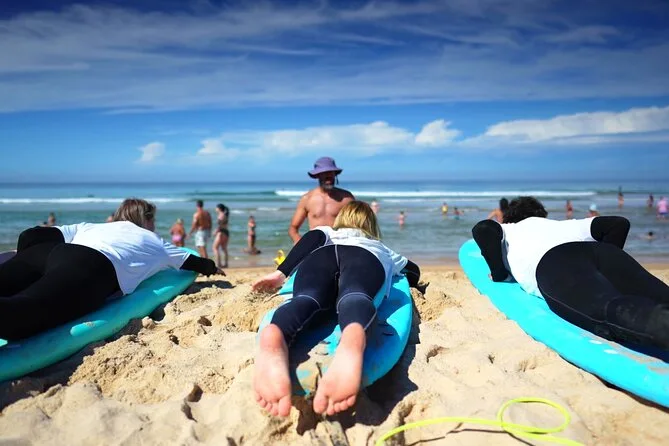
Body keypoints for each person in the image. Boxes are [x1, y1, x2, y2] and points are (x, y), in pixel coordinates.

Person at [251, 201, 421, 417]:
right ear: (371, 224)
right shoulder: (380, 247)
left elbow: (309, 241)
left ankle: (277, 333)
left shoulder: (327, 232)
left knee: (306, 299)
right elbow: (413, 272)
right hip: (366, 258)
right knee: (355, 297)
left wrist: (279, 275)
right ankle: (352, 337)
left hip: (322, 256)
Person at [0, 198, 222, 341]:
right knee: (22, 315)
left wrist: (24, 264)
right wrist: (213, 268)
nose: (154, 225)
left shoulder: (92, 226)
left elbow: (30, 235)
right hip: (91, 265)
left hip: (49, 251)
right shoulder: (156, 241)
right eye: (153, 220)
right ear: (146, 220)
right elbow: (194, 262)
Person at [472, 196, 669, 352]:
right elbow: (619, 224)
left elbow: (484, 228)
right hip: (604, 254)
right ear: (541, 215)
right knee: (660, 294)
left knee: (610, 310)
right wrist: (603, 275)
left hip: (555, 264)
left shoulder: (509, 229)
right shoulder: (562, 225)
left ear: (510, 218)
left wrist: (499, 273)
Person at [288, 157, 355, 243]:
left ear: (335, 174)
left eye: (330, 173)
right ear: (317, 175)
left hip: (339, 245)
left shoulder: (346, 198)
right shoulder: (307, 199)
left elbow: (358, 225)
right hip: (316, 245)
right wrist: (301, 245)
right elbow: (293, 228)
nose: (328, 176)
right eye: (324, 173)